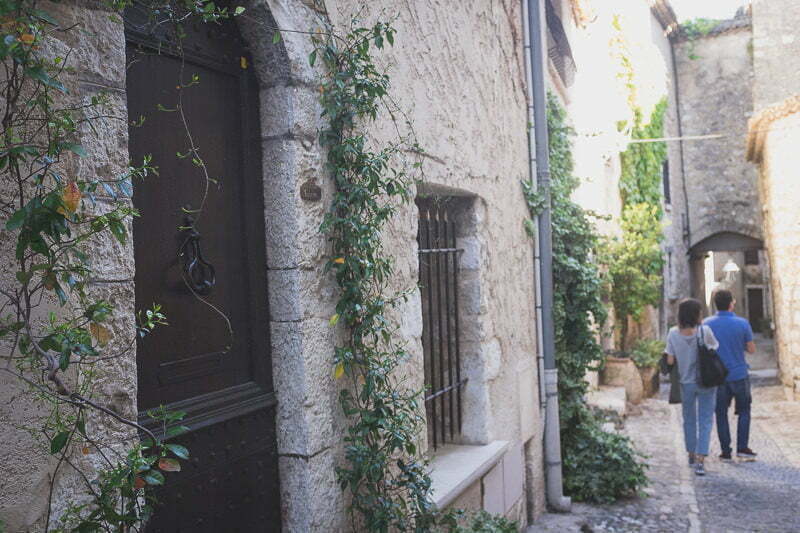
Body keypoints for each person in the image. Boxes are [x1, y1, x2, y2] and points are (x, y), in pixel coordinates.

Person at [665, 298, 720, 476]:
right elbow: (714, 349)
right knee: (705, 419)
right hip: (705, 381)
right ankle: (700, 459)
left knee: (688, 419)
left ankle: (690, 453)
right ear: (697, 314)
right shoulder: (705, 331)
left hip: (686, 383)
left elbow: (670, 360)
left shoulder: (673, 333)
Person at [704, 289, 757, 462]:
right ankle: (742, 448)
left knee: (720, 413)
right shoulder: (742, 323)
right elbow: (751, 349)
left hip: (718, 377)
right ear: (731, 304)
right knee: (744, 411)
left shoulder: (706, 324)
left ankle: (725, 451)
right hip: (739, 374)